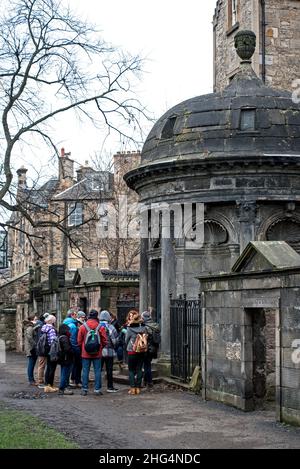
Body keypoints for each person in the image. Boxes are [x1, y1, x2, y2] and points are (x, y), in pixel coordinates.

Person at [77, 309, 107, 396]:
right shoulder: (100, 327)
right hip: (97, 353)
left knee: (85, 370)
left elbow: (79, 341)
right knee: (97, 371)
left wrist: (83, 347)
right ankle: (97, 389)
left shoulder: (83, 327)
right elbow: (105, 340)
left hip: (85, 353)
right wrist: (100, 347)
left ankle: (84, 389)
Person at [125, 310, 147, 395]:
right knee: (139, 369)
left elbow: (126, 340)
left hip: (132, 351)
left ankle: (132, 388)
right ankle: (138, 388)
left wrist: (128, 345)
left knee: (131, 370)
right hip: (141, 350)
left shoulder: (130, 328)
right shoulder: (143, 328)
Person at [99, 310, 119, 393]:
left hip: (99, 352)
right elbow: (115, 340)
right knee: (109, 370)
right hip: (109, 351)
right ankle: (110, 387)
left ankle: (98, 387)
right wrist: (114, 347)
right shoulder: (111, 327)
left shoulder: (97, 326)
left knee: (98, 370)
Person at [141, 311, 161, 389]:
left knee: (146, 366)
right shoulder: (155, 325)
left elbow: (144, 339)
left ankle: (149, 382)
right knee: (147, 365)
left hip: (147, 348)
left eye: (142, 317)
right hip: (154, 348)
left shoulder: (145, 327)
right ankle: (146, 381)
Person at [63, 309, 81, 388]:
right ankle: (69, 383)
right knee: (72, 366)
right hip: (72, 348)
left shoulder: (65, 323)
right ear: (72, 315)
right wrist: (76, 349)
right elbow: (73, 339)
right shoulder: (73, 326)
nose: (76, 316)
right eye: (75, 315)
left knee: (68, 366)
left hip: (66, 347)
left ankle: (67, 382)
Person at [41, 314, 58, 393]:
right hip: (51, 351)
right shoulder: (51, 329)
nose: (55, 322)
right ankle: (49, 385)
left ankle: (47, 384)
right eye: (54, 320)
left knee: (48, 368)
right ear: (51, 321)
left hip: (46, 350)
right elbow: (53, 342)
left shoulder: (43, 328)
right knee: (52, 368)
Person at [57, 324, 74, 395]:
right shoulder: (64, 338)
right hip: (66, 358)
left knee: (63, 373)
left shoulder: (60, 337)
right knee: (65, 374)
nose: (69, 331)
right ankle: (62, 388)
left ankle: (63, 387)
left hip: (62, 358)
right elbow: (67, 349)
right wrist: (72, 351)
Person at [35, 313, 50, 389]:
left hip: (40, 347)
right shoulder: (42, 326)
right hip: (42, 348)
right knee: (41, 365)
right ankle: (40, 381)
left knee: (41, 365)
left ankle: (40, 380)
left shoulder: (39, 325)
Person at [23, 314, 38, 385]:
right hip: (31, 348)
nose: (36, 320)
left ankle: (31, 379)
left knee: (32, 363)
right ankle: (31, 380)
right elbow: (29, 337)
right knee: (31, 364)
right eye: (35, 319)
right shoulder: (29, 327)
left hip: (31, 348)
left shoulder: (31, 327)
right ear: (32, 320)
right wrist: (35, 344)